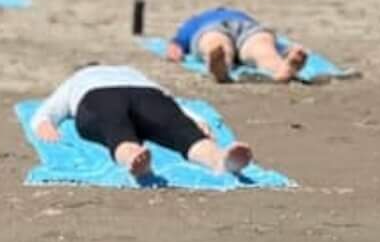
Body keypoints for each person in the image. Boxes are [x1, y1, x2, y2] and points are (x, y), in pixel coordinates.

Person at [31, 64, 253, 179]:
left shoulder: (80, 78)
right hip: (146, 93)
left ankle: (133, 158)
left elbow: (47, 112)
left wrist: (46, 126)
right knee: (182, 130)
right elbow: (172, 104)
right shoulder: (130, 71)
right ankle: (218, 159)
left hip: (97, 96)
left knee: (115, 131)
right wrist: (195, 119)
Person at [164, 6, 308, 83]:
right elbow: (178, 42)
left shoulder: (196, 20)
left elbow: (177, 42)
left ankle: (282, 69)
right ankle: (278, 67)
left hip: (238, 28)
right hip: (230, 27)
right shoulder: (196, 21)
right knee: (260, 47)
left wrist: (176, 48)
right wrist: (176, 48)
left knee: (261, 46)